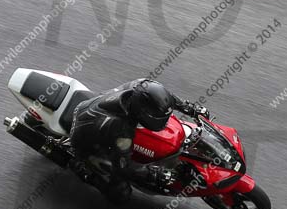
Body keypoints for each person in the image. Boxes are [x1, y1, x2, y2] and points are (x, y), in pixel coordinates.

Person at [69, 79, 208, 202]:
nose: (164, 121)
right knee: (120, 193)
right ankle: (83, 170)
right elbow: (123, 165)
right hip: (82, 138)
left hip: (95, 105)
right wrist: (150, 172)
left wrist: (191, 108)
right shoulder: (121, 129)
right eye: (158, 117)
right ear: (144, 113)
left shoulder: (142, 86)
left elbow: (165, 98)